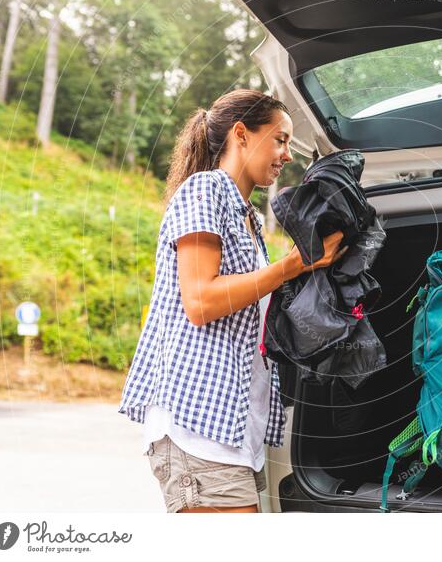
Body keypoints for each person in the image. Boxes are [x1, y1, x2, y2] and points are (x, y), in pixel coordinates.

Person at [118, 89, 346, 513]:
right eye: (280, 140)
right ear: (241, 134)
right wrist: (292, 266)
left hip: (232, 431)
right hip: (199, 430)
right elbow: (200, 301)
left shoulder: (247, 216)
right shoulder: (206, 190)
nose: (287, 155)